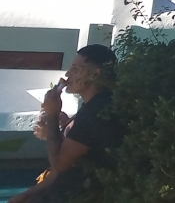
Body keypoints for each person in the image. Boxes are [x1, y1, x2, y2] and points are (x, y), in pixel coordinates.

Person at [12, 45, 121, 202]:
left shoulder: (96, 111)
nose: (68, 74)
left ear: (95, 74)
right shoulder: (96, 105)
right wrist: (25, 195)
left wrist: (52, 115)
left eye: (75, 69)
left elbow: (59, 165)